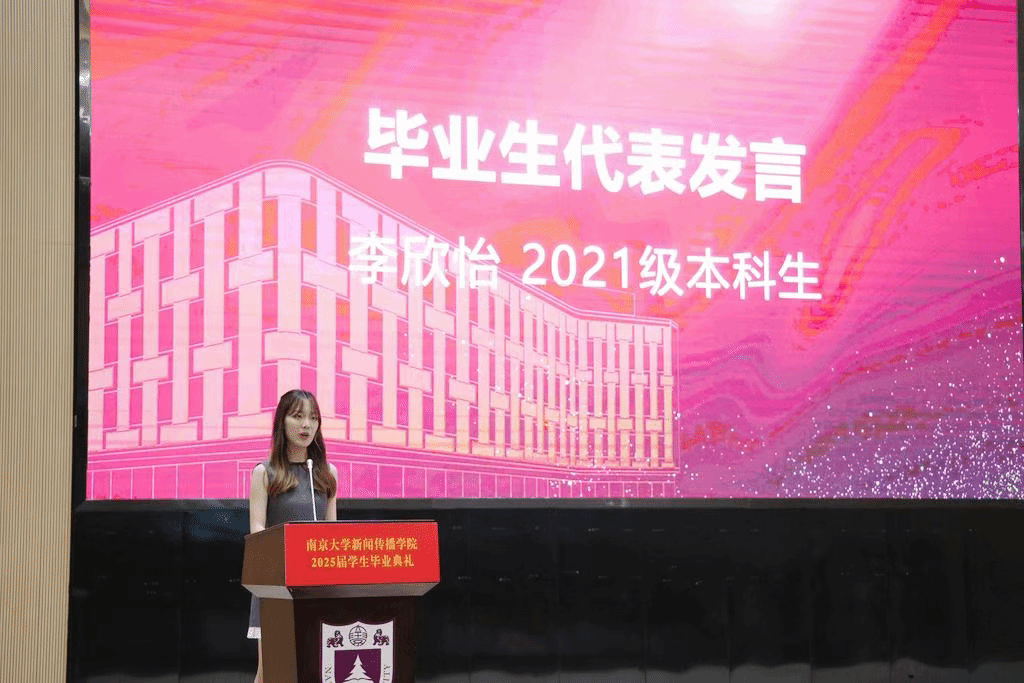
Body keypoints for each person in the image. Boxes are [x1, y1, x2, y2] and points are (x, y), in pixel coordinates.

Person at [248, 389, 338, 683]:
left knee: (312, 669)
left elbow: (333, 534)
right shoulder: (265, 473)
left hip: (316, 586)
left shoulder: (327, 474)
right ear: (281, 422)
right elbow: (257, 531)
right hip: (276, 585)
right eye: (298, 416)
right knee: (270, 672)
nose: (306, 425)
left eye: (313, 418)